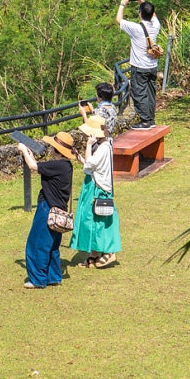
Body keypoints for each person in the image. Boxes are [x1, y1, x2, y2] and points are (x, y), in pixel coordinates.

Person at [17, 131, 76, 288]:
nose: (50, 148)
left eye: (52, 146)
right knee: (52, 246)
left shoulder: (57, 165)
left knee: (37, 244)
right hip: (58, 211)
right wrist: (29, 153)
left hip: (47, 209)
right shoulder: (65, 166)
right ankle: (53, 276)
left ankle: (37, 279)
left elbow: (32, 166)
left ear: (57, 150)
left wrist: (23, 150)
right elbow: (40, 167)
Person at [69, 115, 120, 269]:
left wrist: (88, 146)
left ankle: (109, 252)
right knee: (91, 221)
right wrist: (81, 157)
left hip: (97, 188)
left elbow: (88, 166)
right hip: (93, 185)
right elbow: (92, 167)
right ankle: (94, 253)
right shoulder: (103, 145)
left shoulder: (103, 147)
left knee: (96, 221)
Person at [117, 0, 161, 130]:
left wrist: (122, 3)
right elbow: (153, 16)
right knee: (150, 92)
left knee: (139, 92)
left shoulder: (135, 28)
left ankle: (145, 121)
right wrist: (144, 2)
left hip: (139, 67)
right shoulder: (156, 26)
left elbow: (119, 19)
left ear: (140, 13)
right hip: (153, 66)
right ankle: (151, 119)